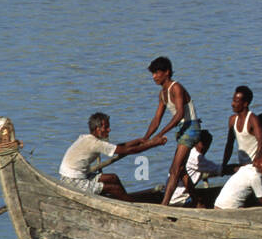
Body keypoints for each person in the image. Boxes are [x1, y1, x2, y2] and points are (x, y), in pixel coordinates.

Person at [59, 112, 166, 200]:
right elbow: (129, 150)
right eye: (106, 127)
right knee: (113, 188)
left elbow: (118, 147)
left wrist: (138, 141)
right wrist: (153, 144)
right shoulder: (95, 143)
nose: (109, 130)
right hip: (72, 180)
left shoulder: (87, 138)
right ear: (98, 129)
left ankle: (125, 200)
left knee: (113, 178)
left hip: (81, 175)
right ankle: (132, 206)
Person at [142, 56, 202, 206]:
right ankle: (199, 201)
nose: (154, 77)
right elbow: (157, 119)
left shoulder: (176, 88)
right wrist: (146, 138)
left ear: (167, 72)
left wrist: (161, 134)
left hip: (191, 128)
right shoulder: (162, 94)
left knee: (174, 169)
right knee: (180, 170)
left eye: (157, 73)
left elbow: (180, 113)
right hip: (182, 130)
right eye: (153, 73)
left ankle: (164, 205)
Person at [221, 85, 262, 175]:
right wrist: (223, 165)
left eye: (236, 101)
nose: (232, 104)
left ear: (245, 104)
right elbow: (229, 144)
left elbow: (261, 142)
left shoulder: (253, 119)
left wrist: (255, 162)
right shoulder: (232, 120)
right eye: (233, 100)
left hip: (254, 165)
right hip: (243, 165)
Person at [169, 130, 220, 207]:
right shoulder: (196, 158)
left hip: (173, 196)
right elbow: (219, 169)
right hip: (179, 199)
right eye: (206, 145)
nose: (206, 148)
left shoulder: (185, 154)